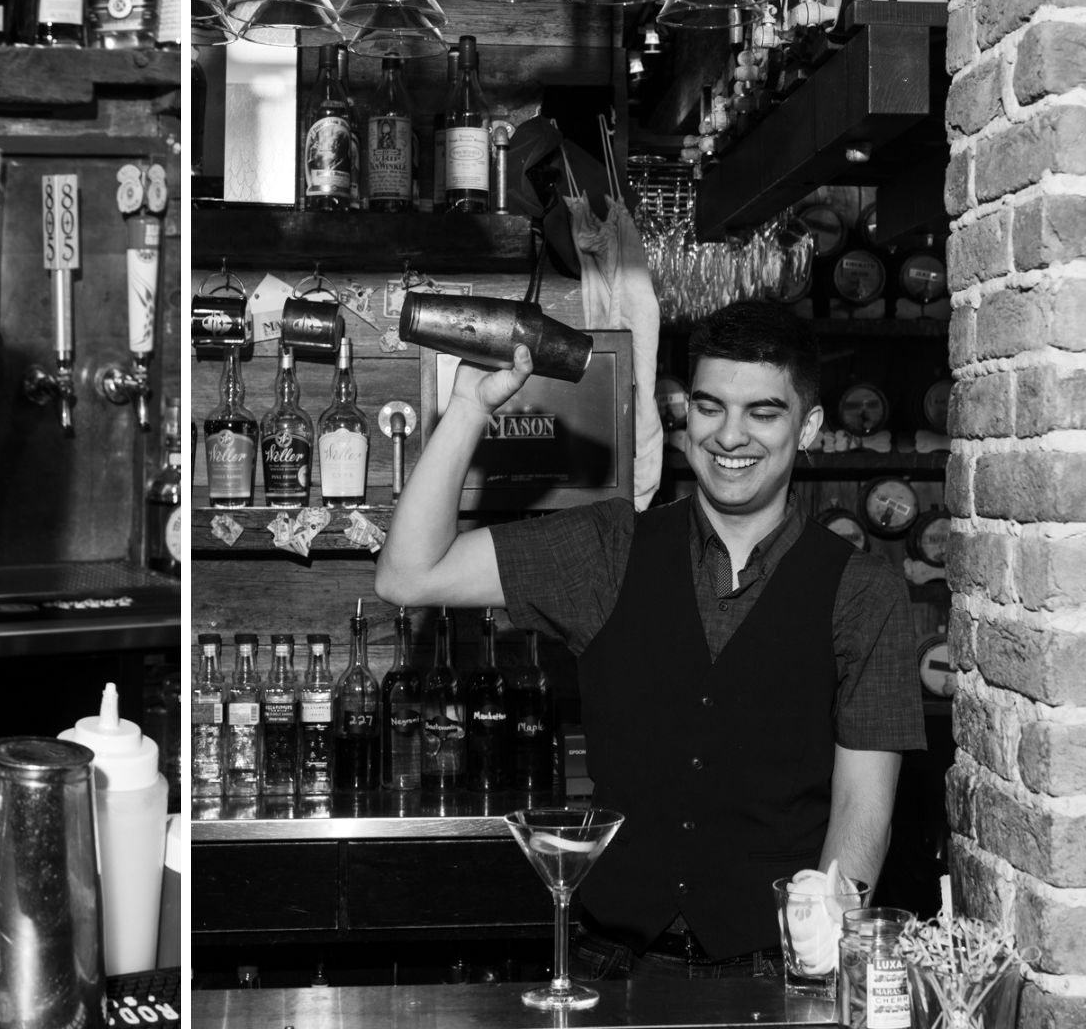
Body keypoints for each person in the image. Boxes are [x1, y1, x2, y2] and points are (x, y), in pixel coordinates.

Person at [376, 300, 924, 978]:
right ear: (684, 415)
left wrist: (833, 919)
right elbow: (408, 574)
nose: (730, 435)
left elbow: (862, 806)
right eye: (710, 406)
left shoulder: (865, 591)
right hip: (612, 969)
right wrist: (467, 409)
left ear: (807, 425)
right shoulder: (609, 547)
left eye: (763, 411)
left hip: (775, 971)